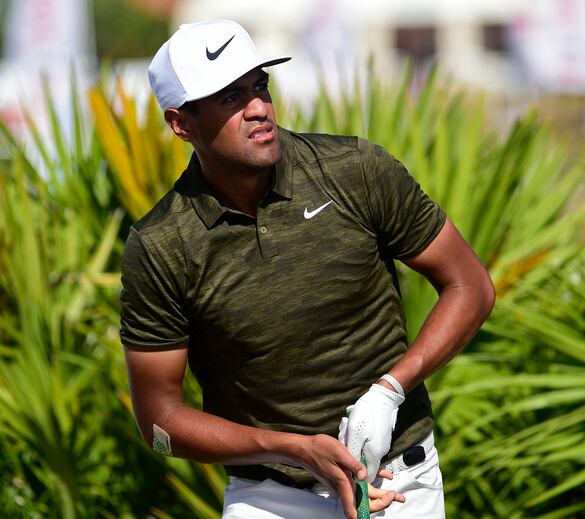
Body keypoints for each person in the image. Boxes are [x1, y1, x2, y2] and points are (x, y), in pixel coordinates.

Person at [120, 19, 494, 519]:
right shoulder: (160, 244)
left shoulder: (354, 170)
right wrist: (293, 449)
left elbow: (471, 286)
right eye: (229, 98)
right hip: (269, 499)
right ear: (180, 123)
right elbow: (159, 424)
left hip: (401, 485)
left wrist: (391, 389)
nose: (258, 108)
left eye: (259, 86)